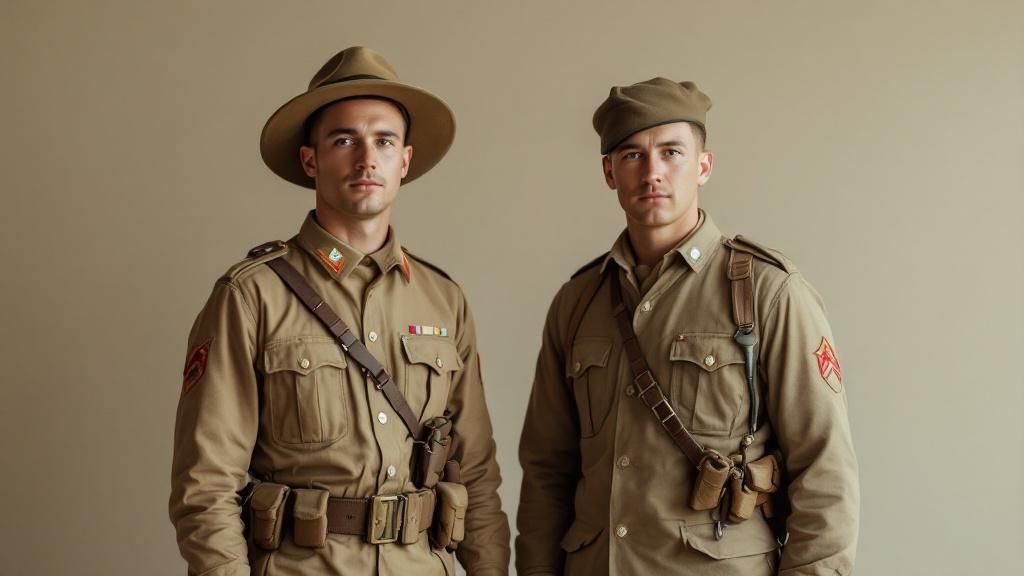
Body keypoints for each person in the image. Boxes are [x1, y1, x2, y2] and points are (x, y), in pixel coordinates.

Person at [169, 46, 510, 576]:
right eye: (344, 139)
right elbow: (205, 485)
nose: (366, 158)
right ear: (311, 160)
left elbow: (478, 474)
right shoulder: (251, 296)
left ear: (405, 161)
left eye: (384, 141)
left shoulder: (443, 299)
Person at [516, 77, 858, 575]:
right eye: (632, 155)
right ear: (609, 172)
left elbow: (825, 471)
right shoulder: (578, 301)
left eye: (671, 152)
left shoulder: (767, 292)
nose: (652, 172)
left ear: (703, 165)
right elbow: (547, 473)